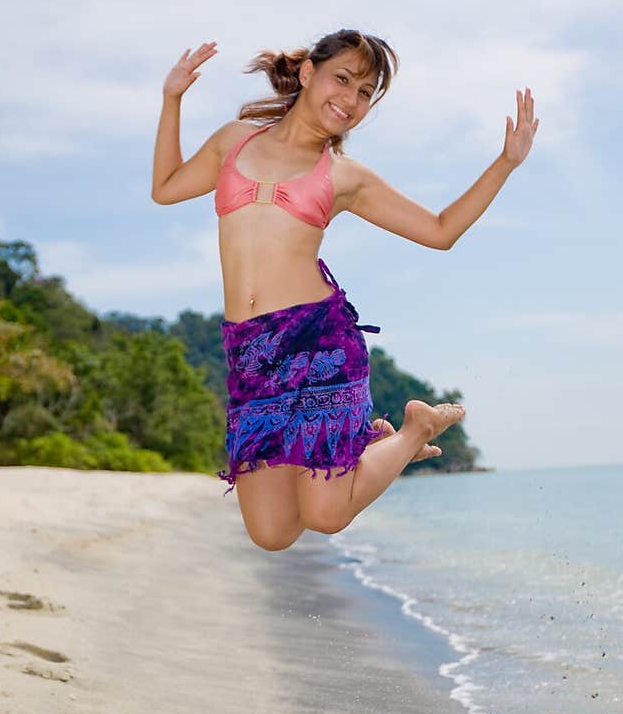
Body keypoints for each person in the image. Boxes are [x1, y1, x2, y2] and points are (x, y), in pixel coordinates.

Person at [151, 28, 538, 550]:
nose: (352, 100)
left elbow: (441, 231)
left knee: (327, 515)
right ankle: (369, 445)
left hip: (318, 346)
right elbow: (166, 187)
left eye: (365, 93)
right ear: (309, 73)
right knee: (272, 533)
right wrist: (172, 97)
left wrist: (506, 164)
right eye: (344, 79)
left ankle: (413, 431)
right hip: (249, 355)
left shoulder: (344, 176)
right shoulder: (233, 140)